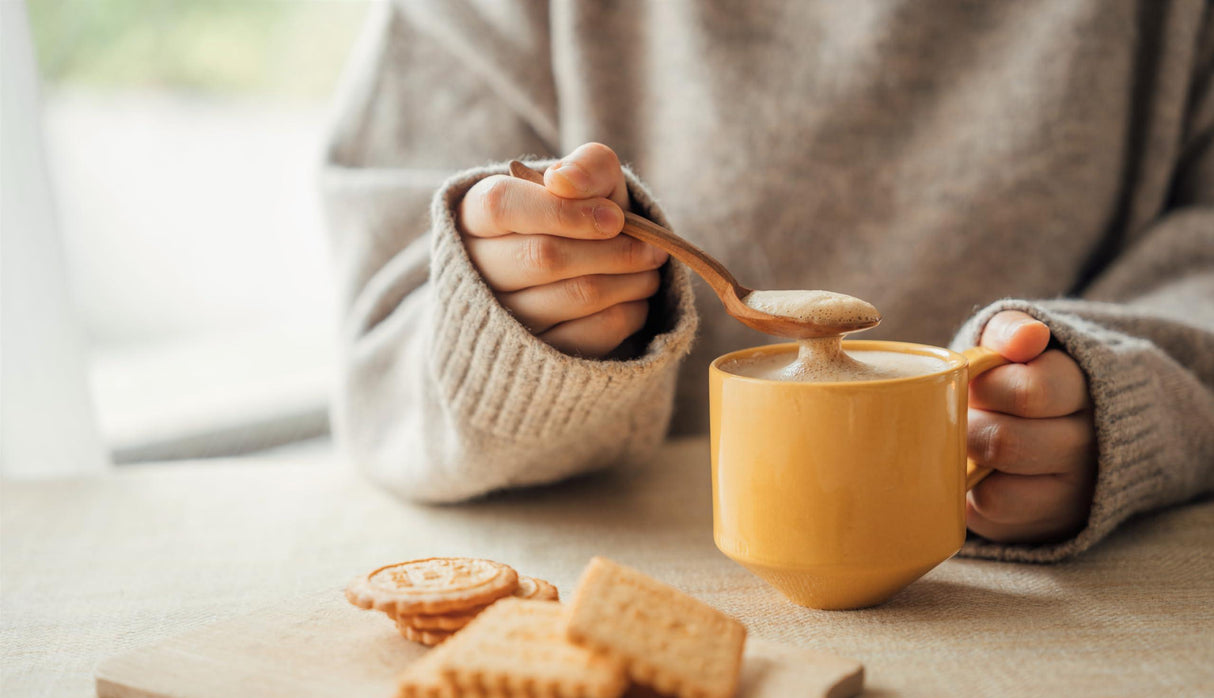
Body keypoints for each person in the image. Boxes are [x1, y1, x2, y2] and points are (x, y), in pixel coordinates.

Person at [322, 0, 1214, 564]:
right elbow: (386, 339)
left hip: (1056, 615)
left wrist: (1129, 392)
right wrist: (510, 327)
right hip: (624, 559)